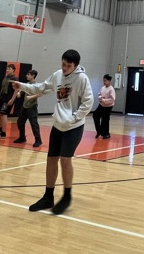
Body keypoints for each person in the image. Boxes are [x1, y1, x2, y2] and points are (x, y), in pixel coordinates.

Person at [11, 49, 93, 216]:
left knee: (65, 159)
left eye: (68, 65)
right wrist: (22, 86)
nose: (64, 68)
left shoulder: (82, 78)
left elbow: (88, 101)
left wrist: (75, 117)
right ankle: (48, 196)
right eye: (63, 64)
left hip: (74, 126)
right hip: (58, 125)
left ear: (75, 66)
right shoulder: (57, 76)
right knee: (51, 160)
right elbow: (41, 88)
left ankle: (67, 195)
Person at [13, 69, 42, 147]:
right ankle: (22, 137)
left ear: (33, 76)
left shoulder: (36, 85)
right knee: (20, 122)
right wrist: (19, 93)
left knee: (34, 123)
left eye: (29, 74)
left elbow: (40, 94)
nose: (27, 75)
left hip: (32, 106)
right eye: (27, 74)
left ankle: (38, 140)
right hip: (25, 105)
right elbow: (22, 90)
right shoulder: (27, 84)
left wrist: (31, 97)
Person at [0, 63, 17, 138]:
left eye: (9, 69)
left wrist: (12, 99)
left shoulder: (14, 78)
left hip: (8, 97)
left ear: (13, 70)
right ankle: (0, 128)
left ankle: (3, 133)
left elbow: (17, 89)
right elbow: (2, 87)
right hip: (2, 96)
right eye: (7, 69)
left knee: (3, 114)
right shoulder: (5, 77)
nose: (7, 70)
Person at [93, 74, 116, 139]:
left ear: (109, 81)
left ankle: (106, 134)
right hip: (101, 105)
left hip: (108, 107)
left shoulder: (111, 89)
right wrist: (100, 97)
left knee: (105, 120)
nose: (104, 82)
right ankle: (99, 130)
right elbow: (99, 94)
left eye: (105, 81)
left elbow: (112, 100)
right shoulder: (103, 88)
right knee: (95, 115)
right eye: (103, 80)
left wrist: (104, 100)